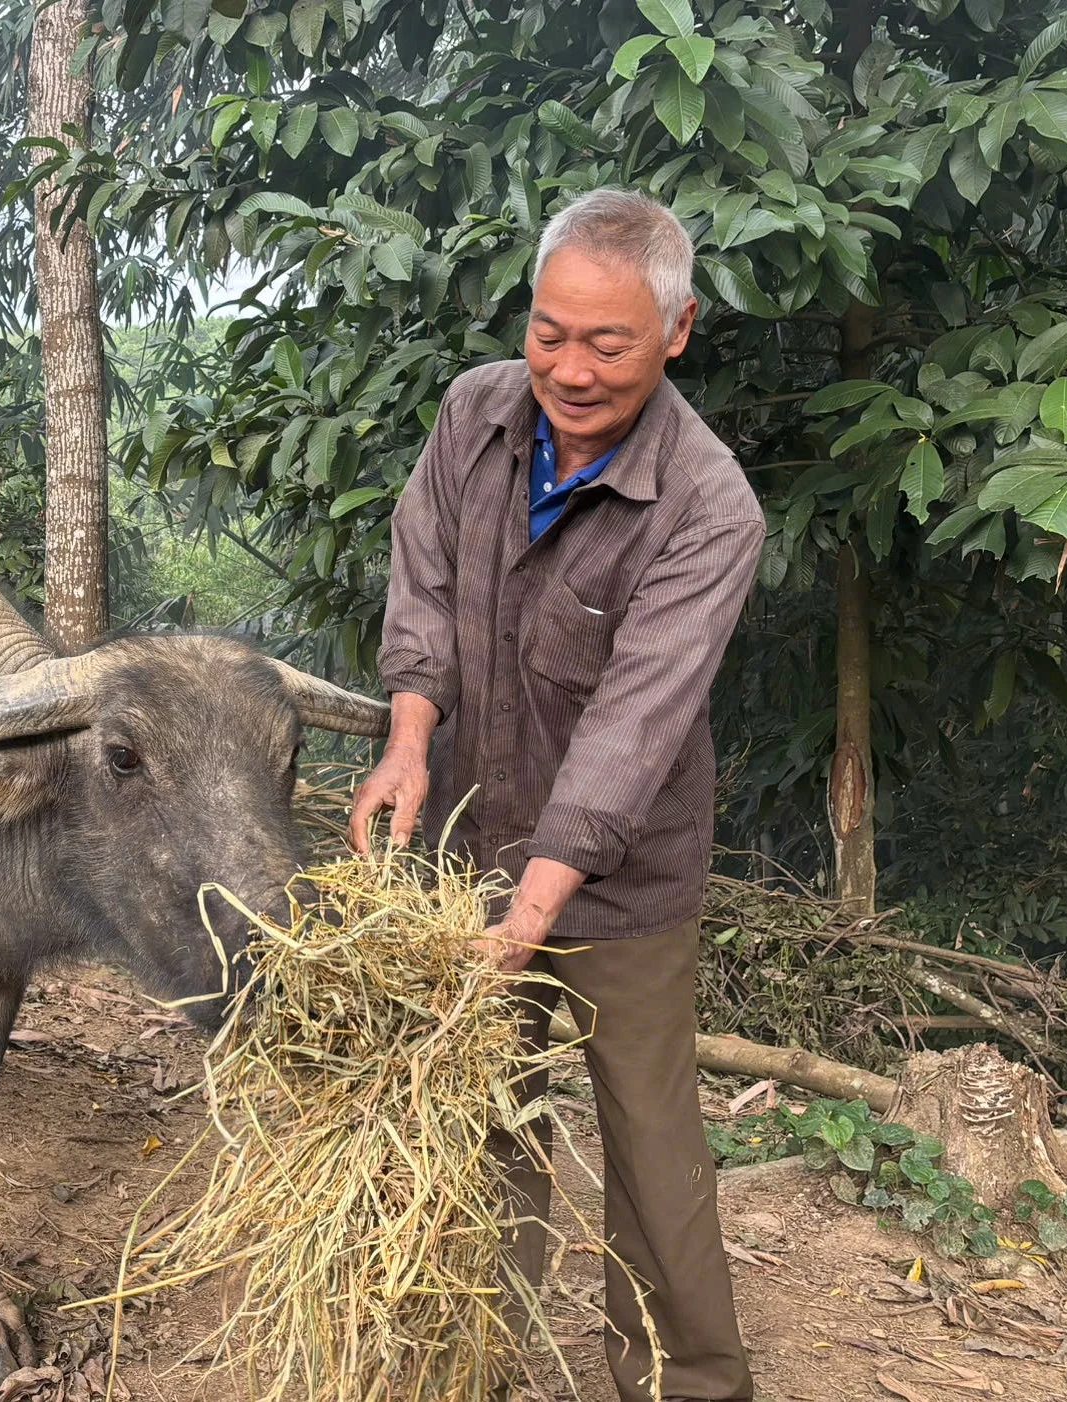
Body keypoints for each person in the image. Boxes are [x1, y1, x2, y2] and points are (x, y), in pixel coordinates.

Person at [349, 186, 763, 1402]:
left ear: (677, 331)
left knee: (647, 1143)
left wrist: (531, 915)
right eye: (547, 332)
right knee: (475, 1127)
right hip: (471, 841)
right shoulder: (474, 412)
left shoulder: (705, 504)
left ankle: (688, 1382)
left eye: (606, 342)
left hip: (623, 881)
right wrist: (410, 737)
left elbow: (638, 722)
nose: (567, 370)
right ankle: (465, 1366)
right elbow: (420, 581)